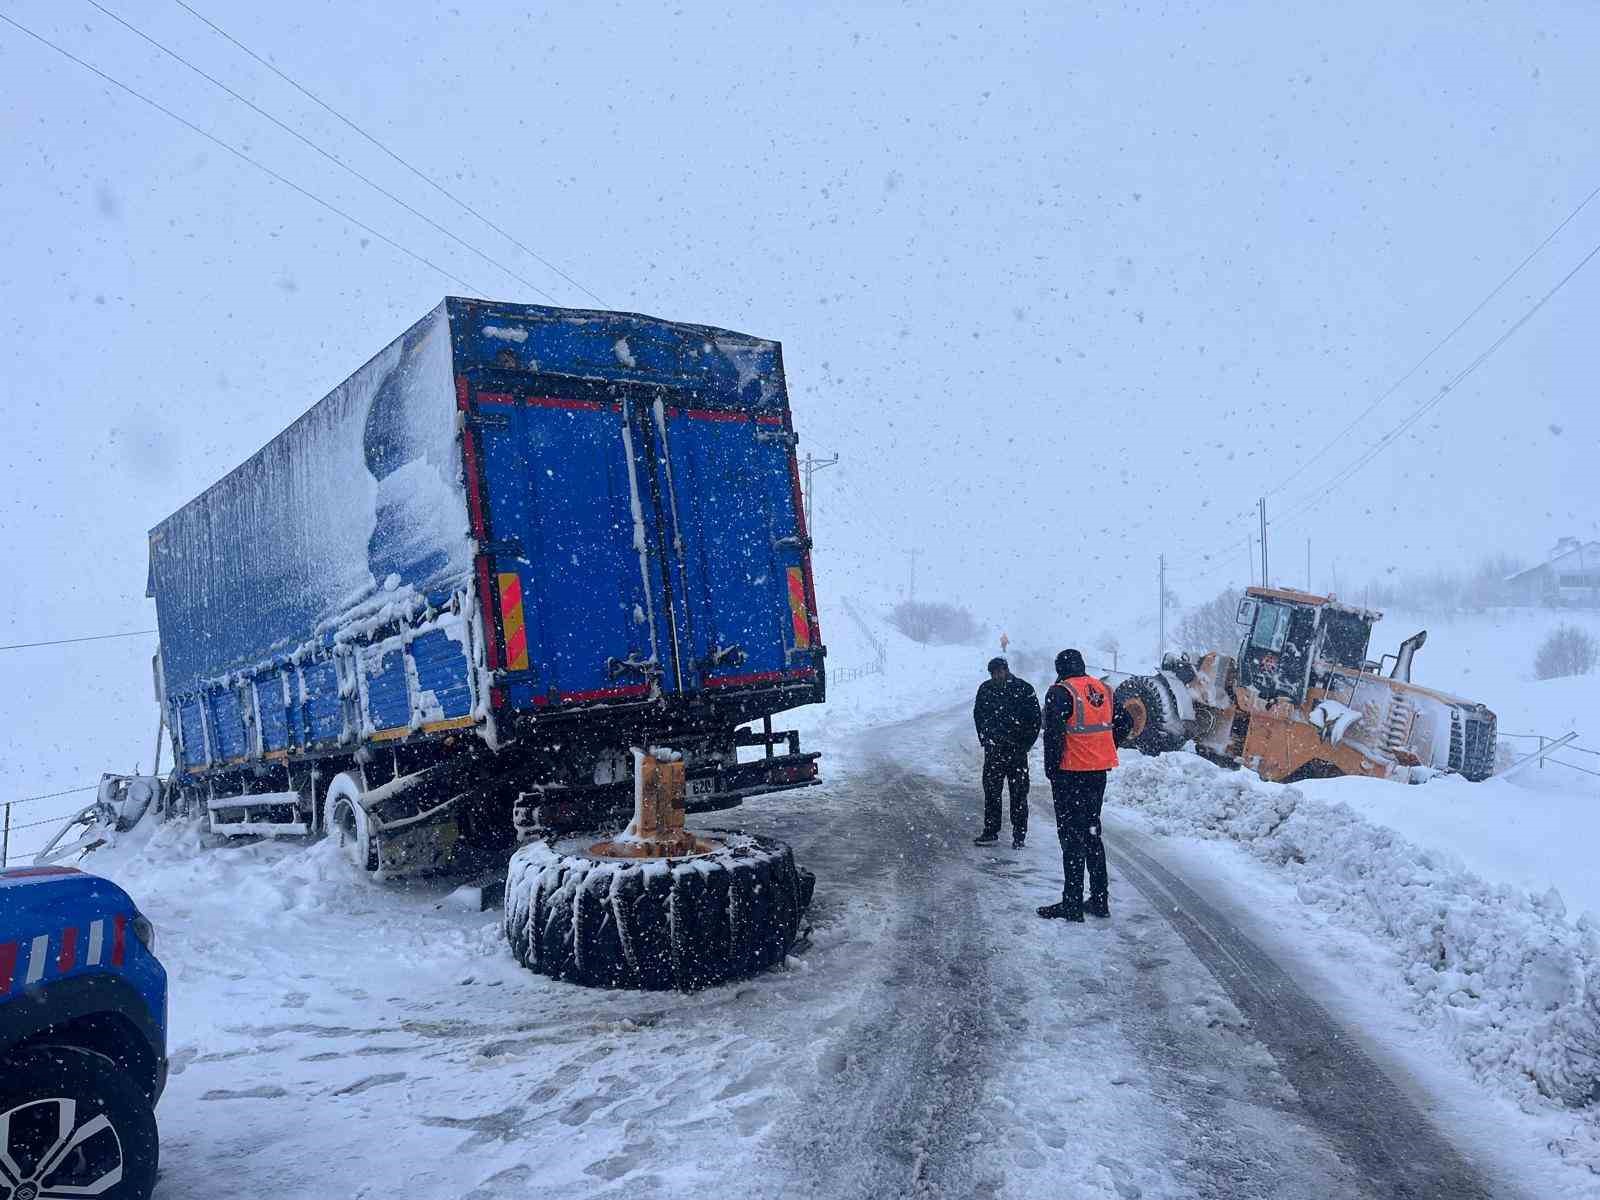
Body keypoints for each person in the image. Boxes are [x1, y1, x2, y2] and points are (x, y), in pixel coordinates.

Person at [1038, 649, 1121, 921]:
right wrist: (1104, 748)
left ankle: (1072, 904)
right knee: (1092, 833)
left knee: (1071, 839)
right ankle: (1099, 900)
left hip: (1071, 774)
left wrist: (1052, 770)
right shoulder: (1103, 689)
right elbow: (1123, 722)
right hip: (1098, 773)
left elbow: (1053, 734)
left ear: (1060, 667)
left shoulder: (1061, 691)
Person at [971, 656, 1041, 848]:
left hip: (1017, 752)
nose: (997, 675)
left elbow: (1035, 720)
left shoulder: (1024, 689)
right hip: (994, 751)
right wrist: (986, 739)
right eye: (993, 673)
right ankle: (991, 831)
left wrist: (1025, 744)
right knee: (992, 792)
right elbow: (979, 715)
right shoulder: (986, 689)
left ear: (1007, 670)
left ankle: (1019, 835)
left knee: (1019, 794)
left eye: (999, 671)